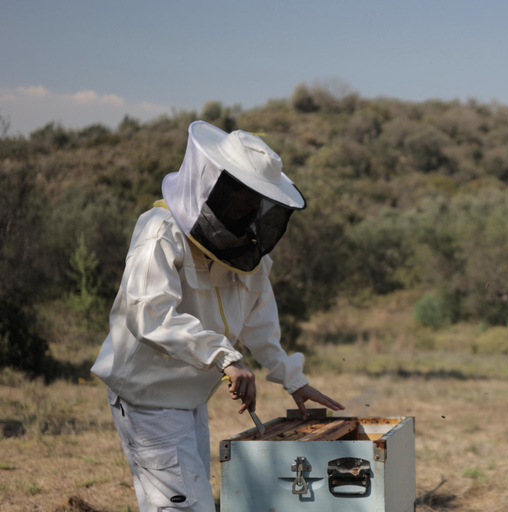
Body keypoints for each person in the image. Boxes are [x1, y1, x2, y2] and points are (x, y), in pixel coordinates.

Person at [91, 120, 344, 511]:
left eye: (260, 200)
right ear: (218, 186)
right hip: (148, 398)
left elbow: (260, 324)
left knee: (191, 500)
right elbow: (148, 313)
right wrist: (224, 357)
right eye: (245, 195)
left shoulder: (247, 251)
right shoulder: (161, 231)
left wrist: (293, 379)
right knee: (182, 507)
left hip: (192, 398)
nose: (252, 208)